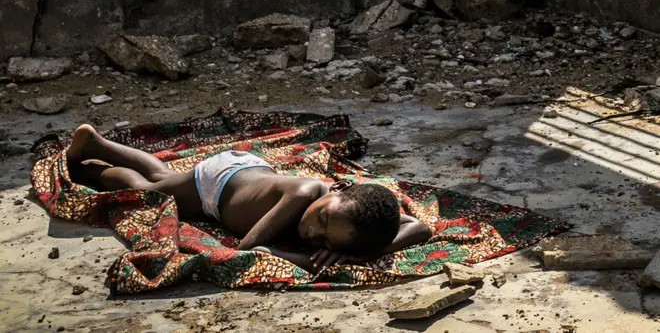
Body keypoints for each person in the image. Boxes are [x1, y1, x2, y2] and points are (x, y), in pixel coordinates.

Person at [66, 124, 432, 272]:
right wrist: (314, 260)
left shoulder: (357, 216)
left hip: (249, 171)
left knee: (162, 175)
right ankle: (88, 163)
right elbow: (250, 247)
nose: (311, 233)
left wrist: (363, 252)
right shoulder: (304, 194)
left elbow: (420, 227)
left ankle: (97, 145)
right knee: (151, 189)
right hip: (217, 185)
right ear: (338, 188)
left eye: (324, 240)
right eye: (320, 220)